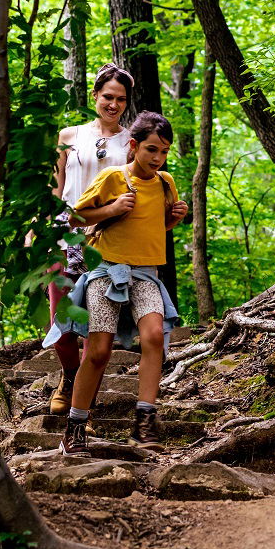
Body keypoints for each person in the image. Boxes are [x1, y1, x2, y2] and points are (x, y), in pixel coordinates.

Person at [61, 112, 189, 454]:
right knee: (99, 351)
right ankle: (75, 426)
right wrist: (113, 208)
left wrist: (173, 220)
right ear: (133, 146)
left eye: (163, 152)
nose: (157, 158)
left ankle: (144, 423)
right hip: (106, 271)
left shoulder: (166, 182)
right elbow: (75, 216)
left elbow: (151, 228)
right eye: (151, 150)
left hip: (147, 274)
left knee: (153, 337)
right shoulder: (112, 178)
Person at [44, 64, 135, 415]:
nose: (113, 104)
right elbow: (55, 187)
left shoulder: (131, 144)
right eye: (108, 96)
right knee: (61, 321)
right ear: (95, 95)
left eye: (121, 100)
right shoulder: (69, 136)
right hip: (66, 234)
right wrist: (38, 230)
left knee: (98, 327)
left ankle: (86, 402)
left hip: (108, 240)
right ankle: (69, 377)